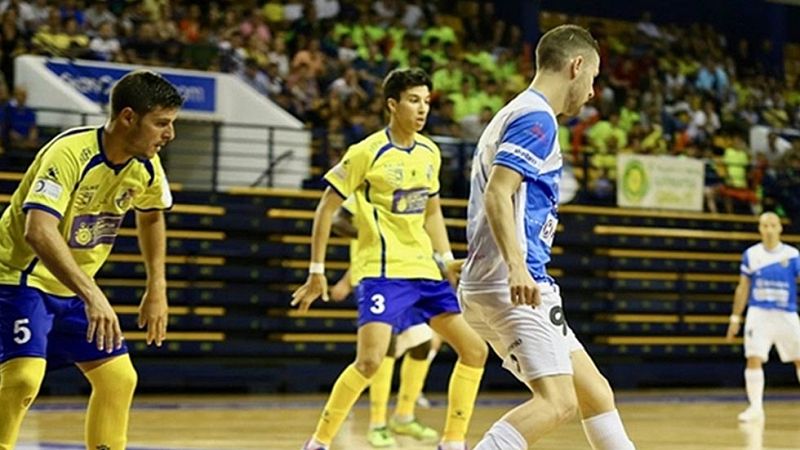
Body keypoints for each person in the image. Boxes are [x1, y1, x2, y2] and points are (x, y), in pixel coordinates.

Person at [458, 24, 636, 450]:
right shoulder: (536, 118)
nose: (592, 92)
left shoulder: (516, 112)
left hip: (500, 279)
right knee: (557, 403)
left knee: (595, 392)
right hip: (513, 281)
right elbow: (498, 192)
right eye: (592, 79)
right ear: (576, 67)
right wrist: (518, 266)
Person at [292, 67, 487, 450]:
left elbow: (432, 212)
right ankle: (318, 442)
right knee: (369, 362)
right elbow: (325, 209)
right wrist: (317, 270)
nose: (422, 109)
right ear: (392, 105)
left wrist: (447, 260)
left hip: (425, 272)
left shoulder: (431, 152)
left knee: (475, 350)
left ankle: (452, 442)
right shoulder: (366, 152)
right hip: (383, 274)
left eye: (427, 101)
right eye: (414, 100)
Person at [0, 70, 183, 450]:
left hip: (71, 288)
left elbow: (151, 215)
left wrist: (157, 286)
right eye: (161, 123)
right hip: (17, 277)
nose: (170, 135)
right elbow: (39, 231)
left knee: (118, 379)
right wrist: (93, 295)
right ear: (128, 117)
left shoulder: (146, 164)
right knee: (23, 379)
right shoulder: (68, 153)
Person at [329, 199, 438, 448]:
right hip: (374, 277)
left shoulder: (411, 194)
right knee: (384, 346)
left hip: (406, 275)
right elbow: (338, 220)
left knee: (423, 342)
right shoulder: (367, 187)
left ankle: (404, 416)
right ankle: (377, 423)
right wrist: (372, 234)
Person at [726, 212, 800, 422]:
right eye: (764, 225)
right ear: (759, 228)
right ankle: (756, 408)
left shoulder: (792, 255)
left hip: (787, 313)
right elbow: (743, 287)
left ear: (780, 228)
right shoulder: (751, 254)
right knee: (753, 357)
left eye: (772, 225)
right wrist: (735, 318)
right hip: (759, 313)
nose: (768, 229)